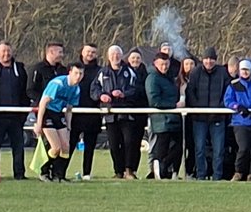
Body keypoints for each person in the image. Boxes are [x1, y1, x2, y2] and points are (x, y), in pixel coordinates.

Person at [92, 45, 146, 179]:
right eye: (112, 55)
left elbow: (136, 90)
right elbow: (94, 90)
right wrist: (101, 96)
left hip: (127, 114)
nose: (115, 57)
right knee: (114, 144)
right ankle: (118, 171)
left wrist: (123, 94)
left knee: (129, 142)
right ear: (108, 57)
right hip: (110, 115)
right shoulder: (102, 73)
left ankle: (129, 170)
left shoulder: (130, 72)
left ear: (121, 56)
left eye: (117, 54)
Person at [0, 42, 31, 179]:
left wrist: (23, 113)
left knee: (18, 146)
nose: (6, 54)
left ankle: (20, 174)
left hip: (16, 116)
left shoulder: (20, 69)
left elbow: (24, 91)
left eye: (8, 51)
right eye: (3, 51)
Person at [184, 47, 230, 180]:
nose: (209, 61)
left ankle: (217, 176)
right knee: (199, 149)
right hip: (199, 118)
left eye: (211, 59)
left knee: (219, 150)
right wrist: (198, 108)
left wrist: (220, 107)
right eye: (206, 59)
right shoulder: (195, 72)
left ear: (215, 60)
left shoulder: (223, 72)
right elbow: (190, 92)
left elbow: (227, 93)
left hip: (218, 117)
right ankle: (200, 175)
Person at [32, 62, 83, 182]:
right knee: (55, 147)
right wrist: (39, 124)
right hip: (47, 113)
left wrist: (68, 127)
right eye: (76, 73)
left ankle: (58, 175)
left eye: (81, 74)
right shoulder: (58, 83)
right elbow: (43, 103)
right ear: (70, 73)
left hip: (58, 114)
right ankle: (43, 170)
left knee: (66, 146)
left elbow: (69, 109)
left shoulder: (76, 89)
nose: (78, 76)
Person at [146, 48, 182, 179]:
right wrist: (174, 105)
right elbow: (154, 100)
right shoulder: (152, 78)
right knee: (161, 148)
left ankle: (164, 169)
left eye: (166, 64)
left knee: (177, 147)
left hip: (172, 119)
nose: (164, 66)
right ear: (155, 63)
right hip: (162, 120)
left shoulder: (169, 78)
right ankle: (158, 170)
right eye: (161, 64)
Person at [72, 44, 103, 181]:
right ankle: (60, 171)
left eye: (93, 52)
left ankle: (86, 173)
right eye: (88, 51)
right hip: (75, 113)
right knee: (70, 144)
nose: (90, 54)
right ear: (82, 52)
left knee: (90, 146)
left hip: (92, 113)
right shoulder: (73, 68)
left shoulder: (100, 70)